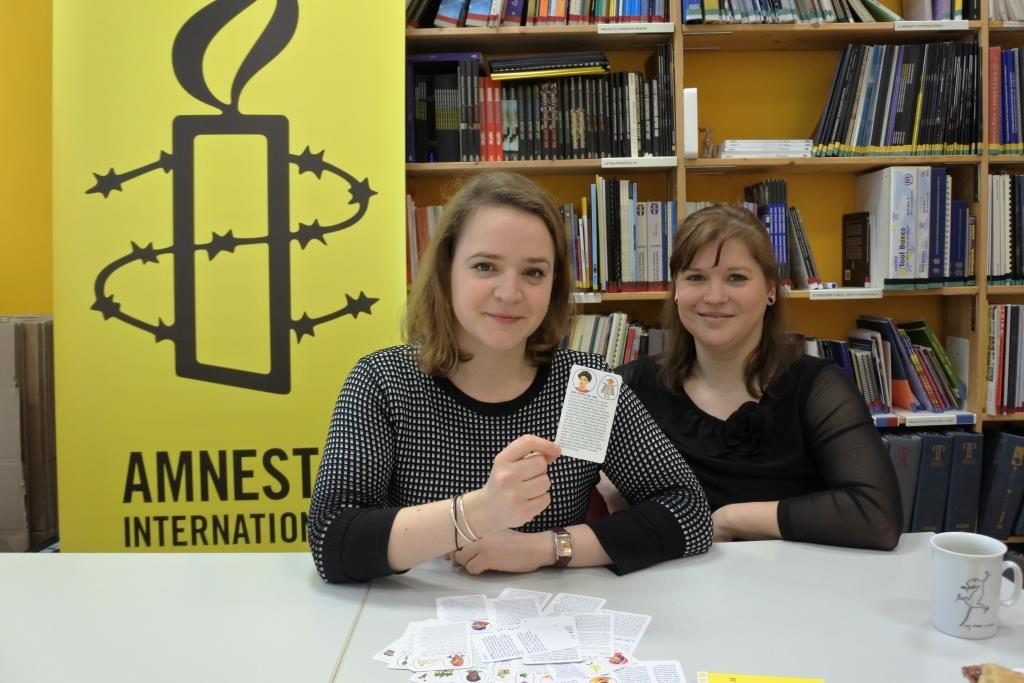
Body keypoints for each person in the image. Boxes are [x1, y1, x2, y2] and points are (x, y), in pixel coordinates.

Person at [308, 171, 712, 583]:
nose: (509, 293)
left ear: (554, 284)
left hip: (556, 614)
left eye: (533, 272)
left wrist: (546, 548)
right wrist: (479, 512)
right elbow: (332, 539)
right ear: (446, 271)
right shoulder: (383, 381)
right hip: (417, 612)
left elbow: (689, 510)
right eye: (485, 266)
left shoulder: (585, 387)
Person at [619, 204, 902, 550]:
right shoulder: (631, 386)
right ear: (676, 288)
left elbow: (877, 517)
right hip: (667, 580)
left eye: (736, 277)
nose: (714, 297)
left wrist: (728, 520)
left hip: (788, 581)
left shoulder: (819, 388)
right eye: (695, 277)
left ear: (770, 289)